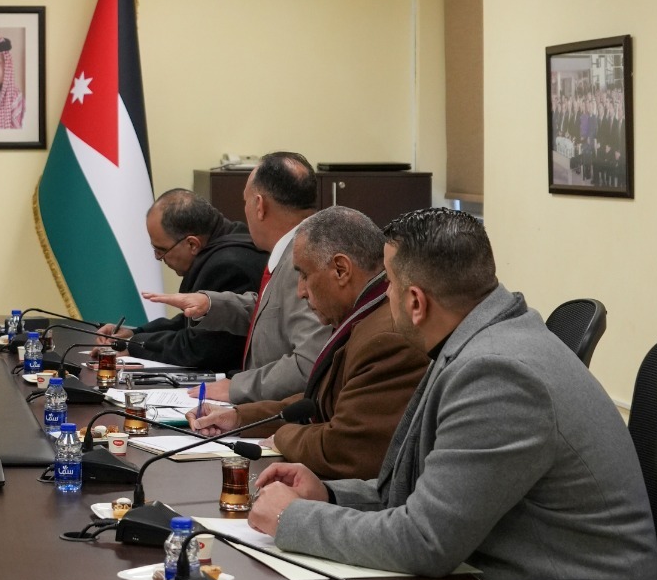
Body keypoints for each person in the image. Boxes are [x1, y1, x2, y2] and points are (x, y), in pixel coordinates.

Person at [249, 208, 657, 580]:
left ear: (416, 302)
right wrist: (329, 494)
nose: (383, 296)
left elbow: (424, 540)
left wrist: (291, 518)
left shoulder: (498, 376)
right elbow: (422, 497)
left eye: (388, 284)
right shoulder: (478, 340)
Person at [185, 207, 428, 482]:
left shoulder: (386, 338)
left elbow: (347, 449)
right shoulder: (363, 317)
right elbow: (317, 402)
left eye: (304, 275)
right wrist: (239, 418)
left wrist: (282, 437)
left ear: (341, 270)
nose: (300, 291)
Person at [142, 151, 331, 403]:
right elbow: (272, 311)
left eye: (245, 201)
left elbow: (309, 363)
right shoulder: (293, 250)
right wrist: (210, 304)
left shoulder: (305, 261)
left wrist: (237, 387)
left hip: (279, 417)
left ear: (259, 205)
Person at [95, 189, 265, 372]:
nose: (158, 258)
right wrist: (135, 333)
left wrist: (131, 346)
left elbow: (197, 348)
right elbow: (191, 322)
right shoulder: (231, 235)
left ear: (192, 244)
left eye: (161, 250)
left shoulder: (228, 265)